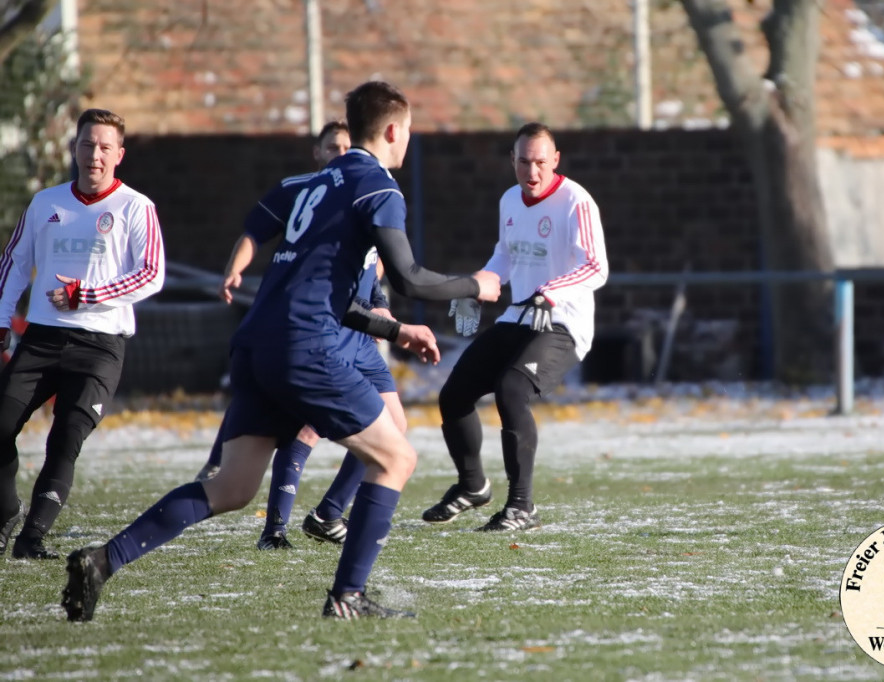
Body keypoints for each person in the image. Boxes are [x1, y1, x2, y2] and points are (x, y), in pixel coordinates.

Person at [60, 81, 501, 622]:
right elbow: (407, 278)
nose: (407, 141)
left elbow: (323, 288)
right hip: (303, 345)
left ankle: (104, 560)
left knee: (231, 487)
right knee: (397, 456)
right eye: (407, 131)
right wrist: (474, 285)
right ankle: (347, 597)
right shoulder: (378, 188)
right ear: (392, 130)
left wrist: (395, 332)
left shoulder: (318, 183)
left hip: (257, 340)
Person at [196, 120, 409, 552]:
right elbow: (256, 230)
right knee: (305, 427)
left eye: (348, 146)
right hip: (322, 325)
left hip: (360, 328)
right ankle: (276, 527)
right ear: (318, 152)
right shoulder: (305, 189)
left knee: (395, 427)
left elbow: (377, 258)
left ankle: (329, 513)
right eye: (333, 146)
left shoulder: (372, 187)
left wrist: (379, 301)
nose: (341, 153)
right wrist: (236, 265)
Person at [423, 122, 608, 532]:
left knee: (512, 389)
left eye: (541, 161)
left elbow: (596, 267)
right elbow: (504, 258)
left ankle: (522, 507)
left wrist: (550, 293)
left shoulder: (576, 201)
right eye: (524, 161)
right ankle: (472, 486)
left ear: (555, 160)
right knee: (454, 394)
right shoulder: (510, 200)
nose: (532, 171)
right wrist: (475, 287)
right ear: (512, 160)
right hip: (518, 318)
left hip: (562, 323)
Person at [0, 109, 165, 560]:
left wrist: (85, 295)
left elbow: (151, 274)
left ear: (119, 155)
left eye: (105, 147)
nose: (95, 155)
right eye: (88, 144)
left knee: (65, 437)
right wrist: (1, 318)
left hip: (99, 345)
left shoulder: (136, 207)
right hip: (41, 339)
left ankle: (31, 540)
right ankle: (6, 510)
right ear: (75, 149)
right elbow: (14, 263)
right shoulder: (45, 203)